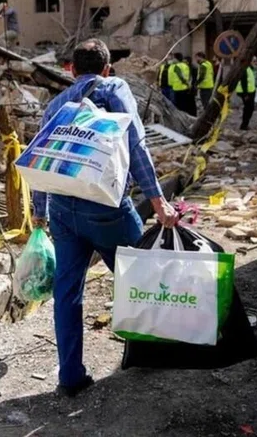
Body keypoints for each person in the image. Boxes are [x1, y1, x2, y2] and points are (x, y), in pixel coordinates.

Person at [32, 39, 179, 398]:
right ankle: (143, 355)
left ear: (71, 70)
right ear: (107, 68)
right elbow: (136, 145)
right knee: (140, 280)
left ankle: (70, 376)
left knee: (67, 293)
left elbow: (41, 155)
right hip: (108, 209)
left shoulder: (56, 104)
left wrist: (39, 212)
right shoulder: (115, 89)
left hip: (63, 209)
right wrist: (158, 202)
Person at [235, 62, 257, 130]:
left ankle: (245, 124)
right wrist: (245, 94)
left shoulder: (250, 68)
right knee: (248, 109)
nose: (255, 62)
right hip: (246, 92)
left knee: (250, 108)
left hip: (250, 91)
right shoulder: (244, 68)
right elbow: (243, 82)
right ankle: (244, 125)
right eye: (254, 60)